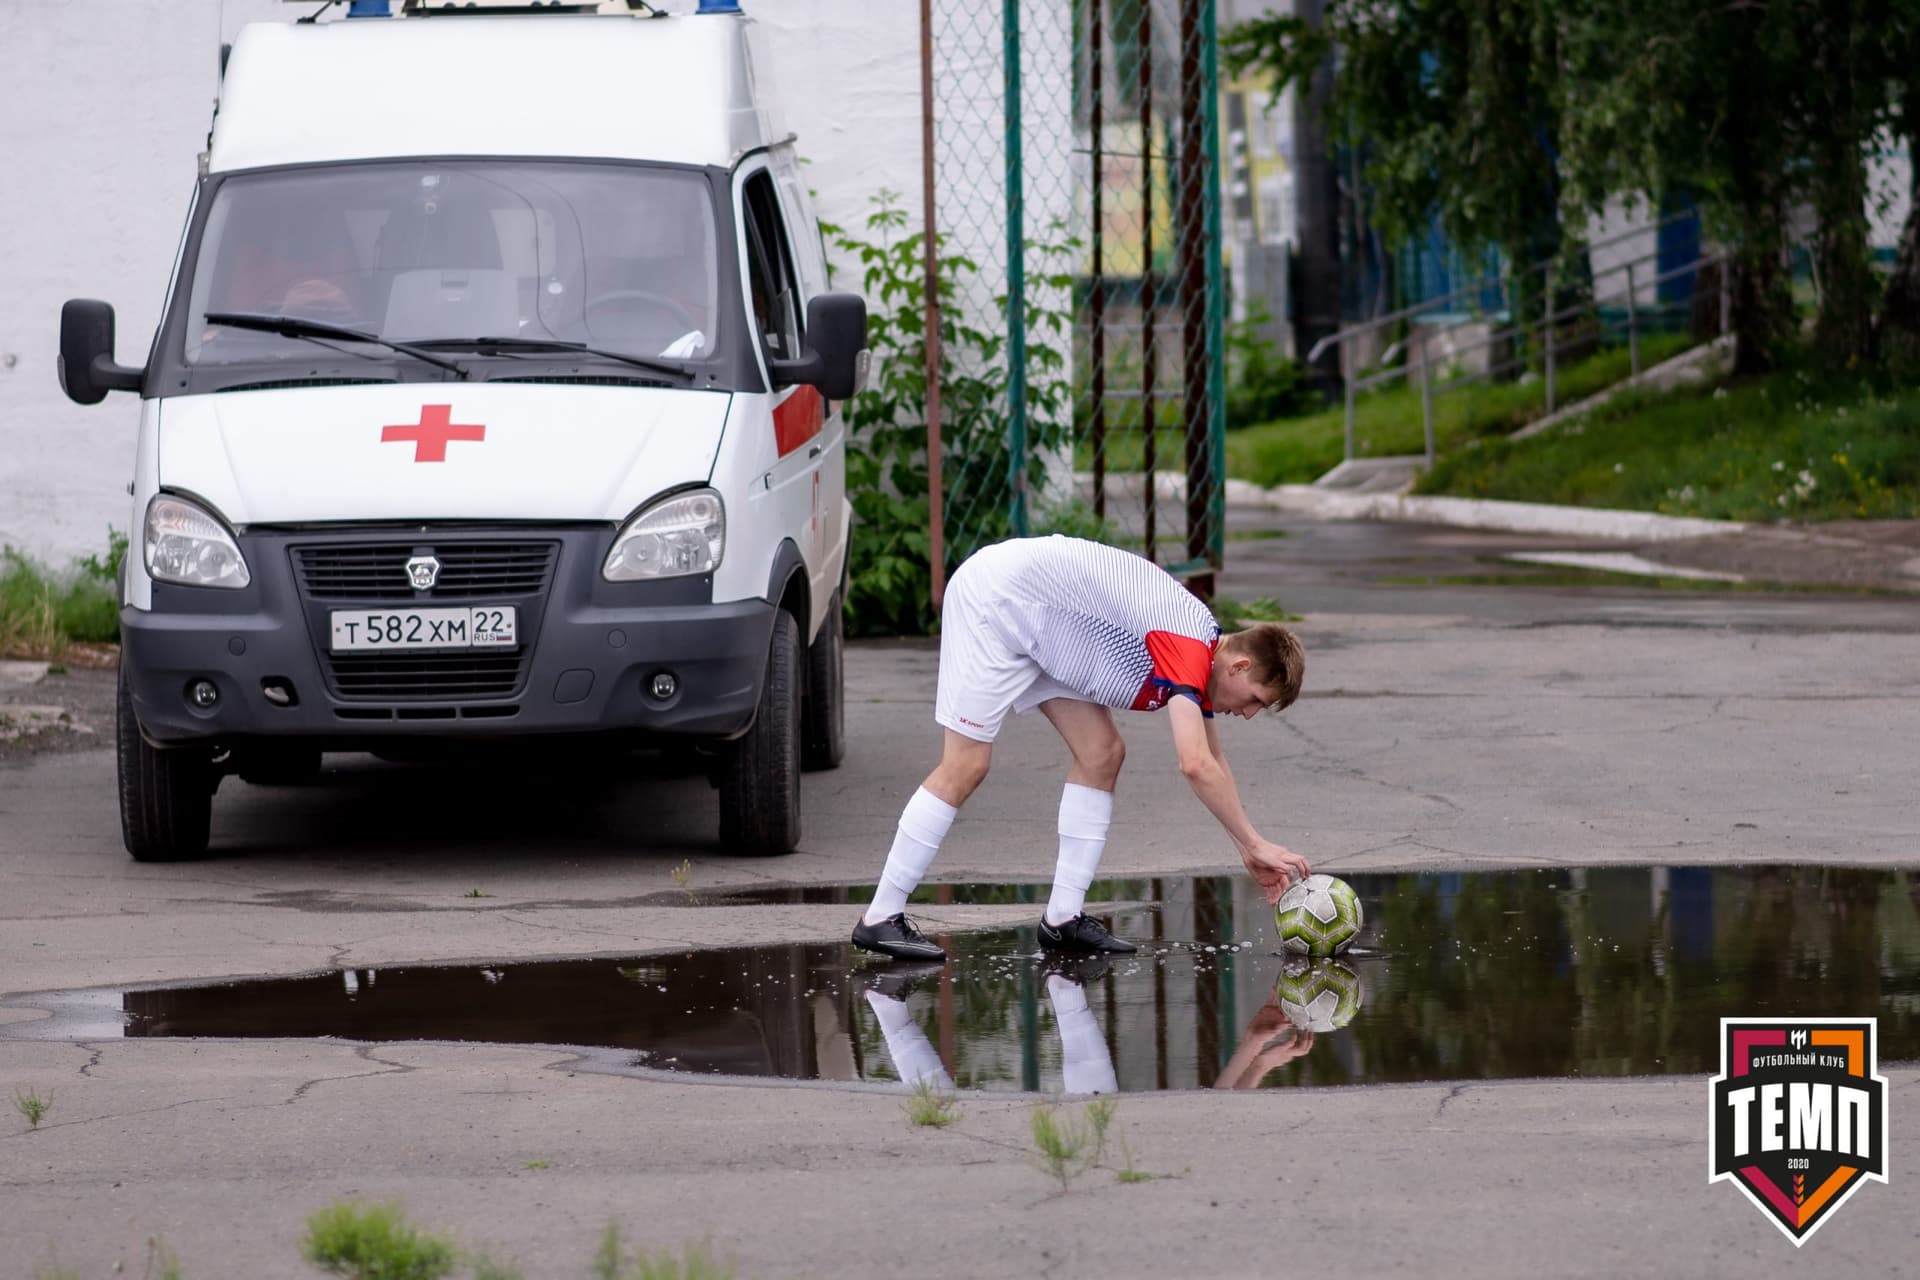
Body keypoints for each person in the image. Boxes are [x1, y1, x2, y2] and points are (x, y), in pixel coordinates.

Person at [851, 534, 1310, 963]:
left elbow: (1214, 761)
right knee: (966, 763)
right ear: (1240, 666)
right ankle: (880, 917)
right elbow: (1194, 764)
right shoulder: (1190, 647)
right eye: (1256, 700)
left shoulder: (1204, 645)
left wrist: (1247, 850)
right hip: (997, 601)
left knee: (1101, 752)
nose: (1248, 713)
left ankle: (1062, 921)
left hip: (1043, 625)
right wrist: (1254, 841)